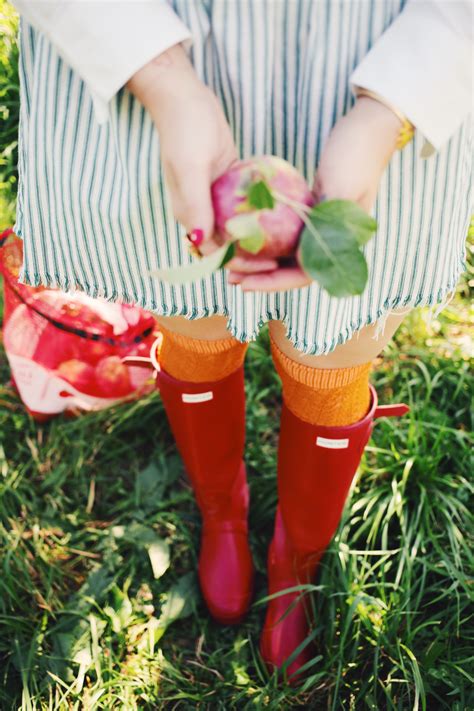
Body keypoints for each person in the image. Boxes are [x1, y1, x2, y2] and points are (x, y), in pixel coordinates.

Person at [12, 0, 473, 680]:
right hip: (177, 61)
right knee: (194, 309)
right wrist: (164, 78)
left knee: (335, 346)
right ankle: (221, 506)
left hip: (373, 66)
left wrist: (386, 114)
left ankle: (298, 557)